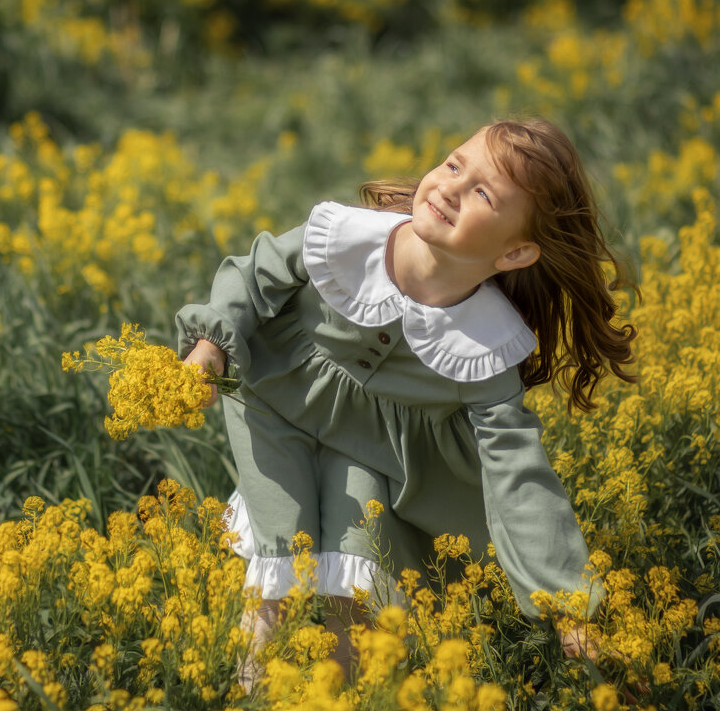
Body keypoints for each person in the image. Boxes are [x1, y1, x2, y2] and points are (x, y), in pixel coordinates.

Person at [175, 117, 637, 689]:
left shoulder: (484, 343)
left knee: (356, 567)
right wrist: (209, 348)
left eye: (483, 193)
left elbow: (518, 474)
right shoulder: (345, 239)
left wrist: (572, 609)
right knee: (278, 546)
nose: (450, 187)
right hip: (277, 406)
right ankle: (247, 692)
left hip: (373, 458)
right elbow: (252, 278)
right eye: (453, 165)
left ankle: (340, 695)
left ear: (516, 252)